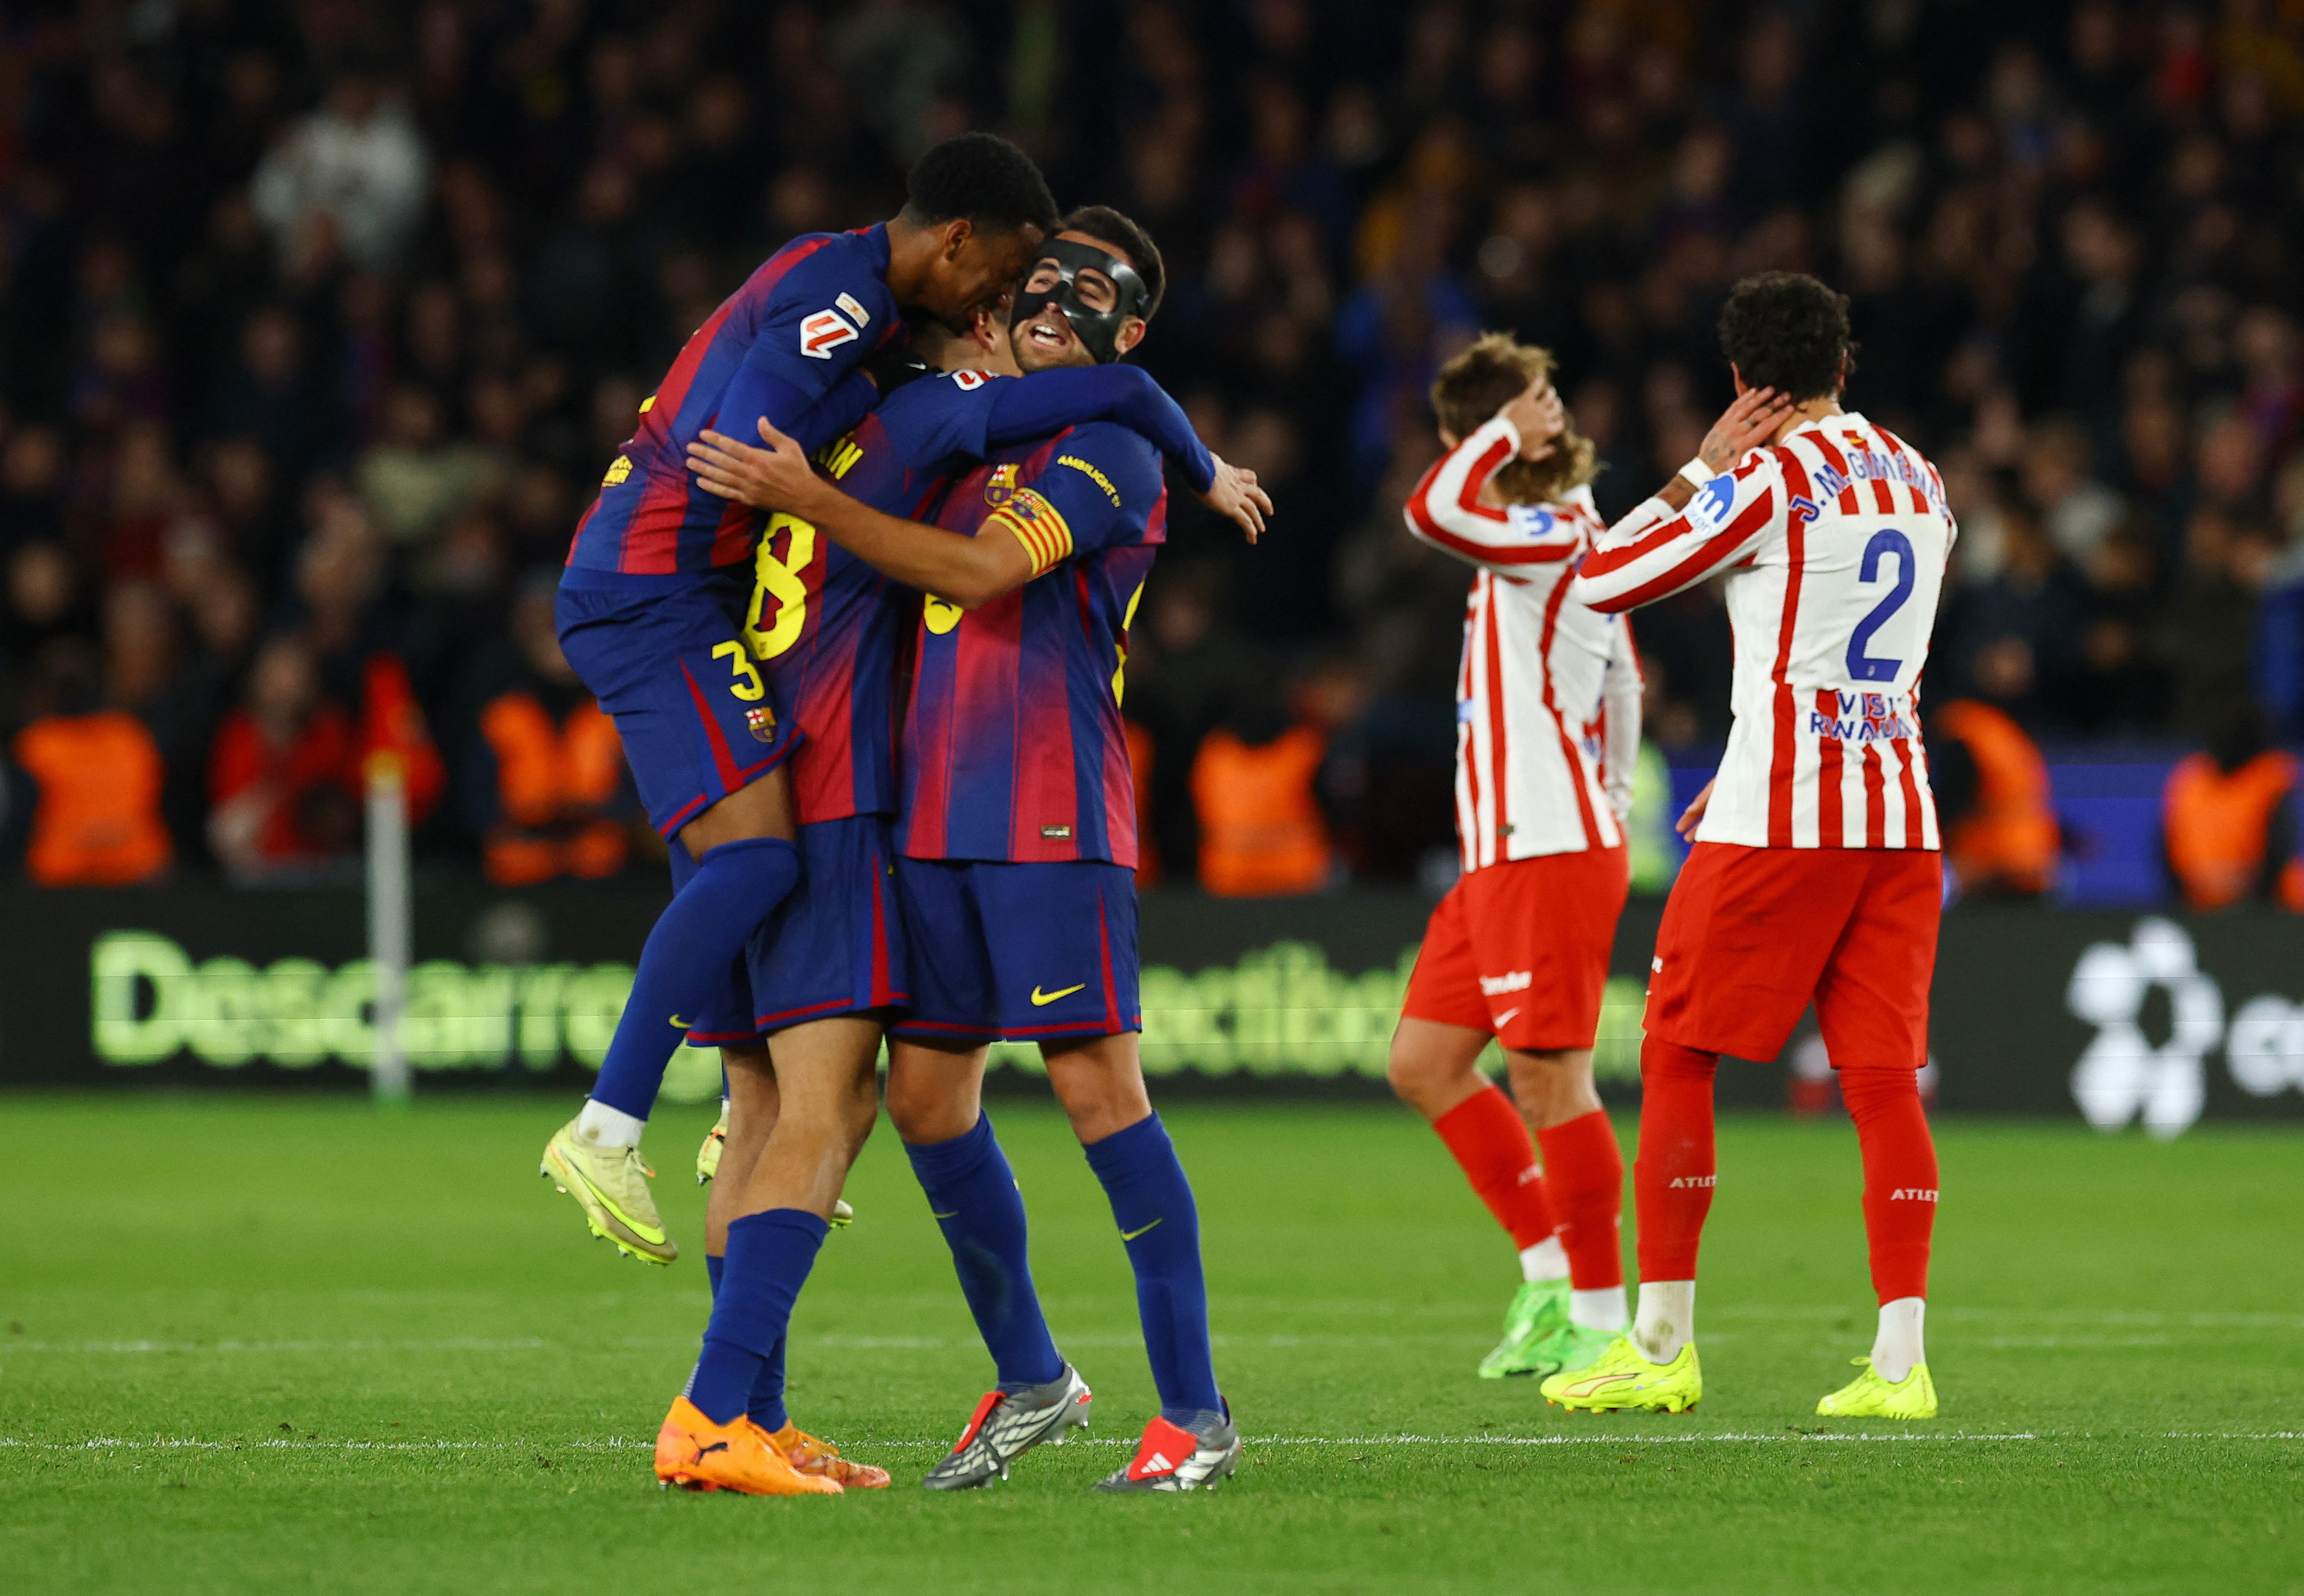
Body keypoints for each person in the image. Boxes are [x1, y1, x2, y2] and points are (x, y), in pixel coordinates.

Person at [657, 298, 1264, 1495]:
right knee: (928, 1102)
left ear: (1132, 332)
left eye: (1086, 295)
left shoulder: (1107, 449)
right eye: (1040, 285)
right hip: (928, 817)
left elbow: (984, 570)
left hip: (1046, 805)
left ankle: (1196, 1412)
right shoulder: (973, 437)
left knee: (1098, 1090)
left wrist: (815, 498)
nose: (1051, 309)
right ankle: (1034, 1377)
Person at [537, 132, 1060, 1277]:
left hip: (686, 594)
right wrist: (791, 464)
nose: (1002, 298)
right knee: (760, 863)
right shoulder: (837, 294)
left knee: (738, 893)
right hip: (654, 591)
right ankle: (606, 1127)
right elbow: (751, 428)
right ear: (958, 238)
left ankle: (741, 1384)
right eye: (1003, 274)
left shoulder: (851, 289)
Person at [1552, 271, 1955, 1421]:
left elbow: (1602, 580)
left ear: (1742, 382)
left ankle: (1662, 1343)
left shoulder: (1770, 476)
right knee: (1881, 1079)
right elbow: (1863, 643)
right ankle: (1899, 1364)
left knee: (1678, 1050)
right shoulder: (1923, 479)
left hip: (1783, 819)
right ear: (1845, 364)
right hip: (1898, 815)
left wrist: (1700, 466)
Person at [1387, 332, 1639, 1381]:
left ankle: (1599, 1313)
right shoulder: (1543, 541)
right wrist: (1618, 791)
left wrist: (1492, 432)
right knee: (1425, 1062)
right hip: (1505, 847)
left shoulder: (1553, 533)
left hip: (1545, 847)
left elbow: (1427, 511)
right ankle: (1545, 1274)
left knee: (1549, 1079)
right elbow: (1626, 681)